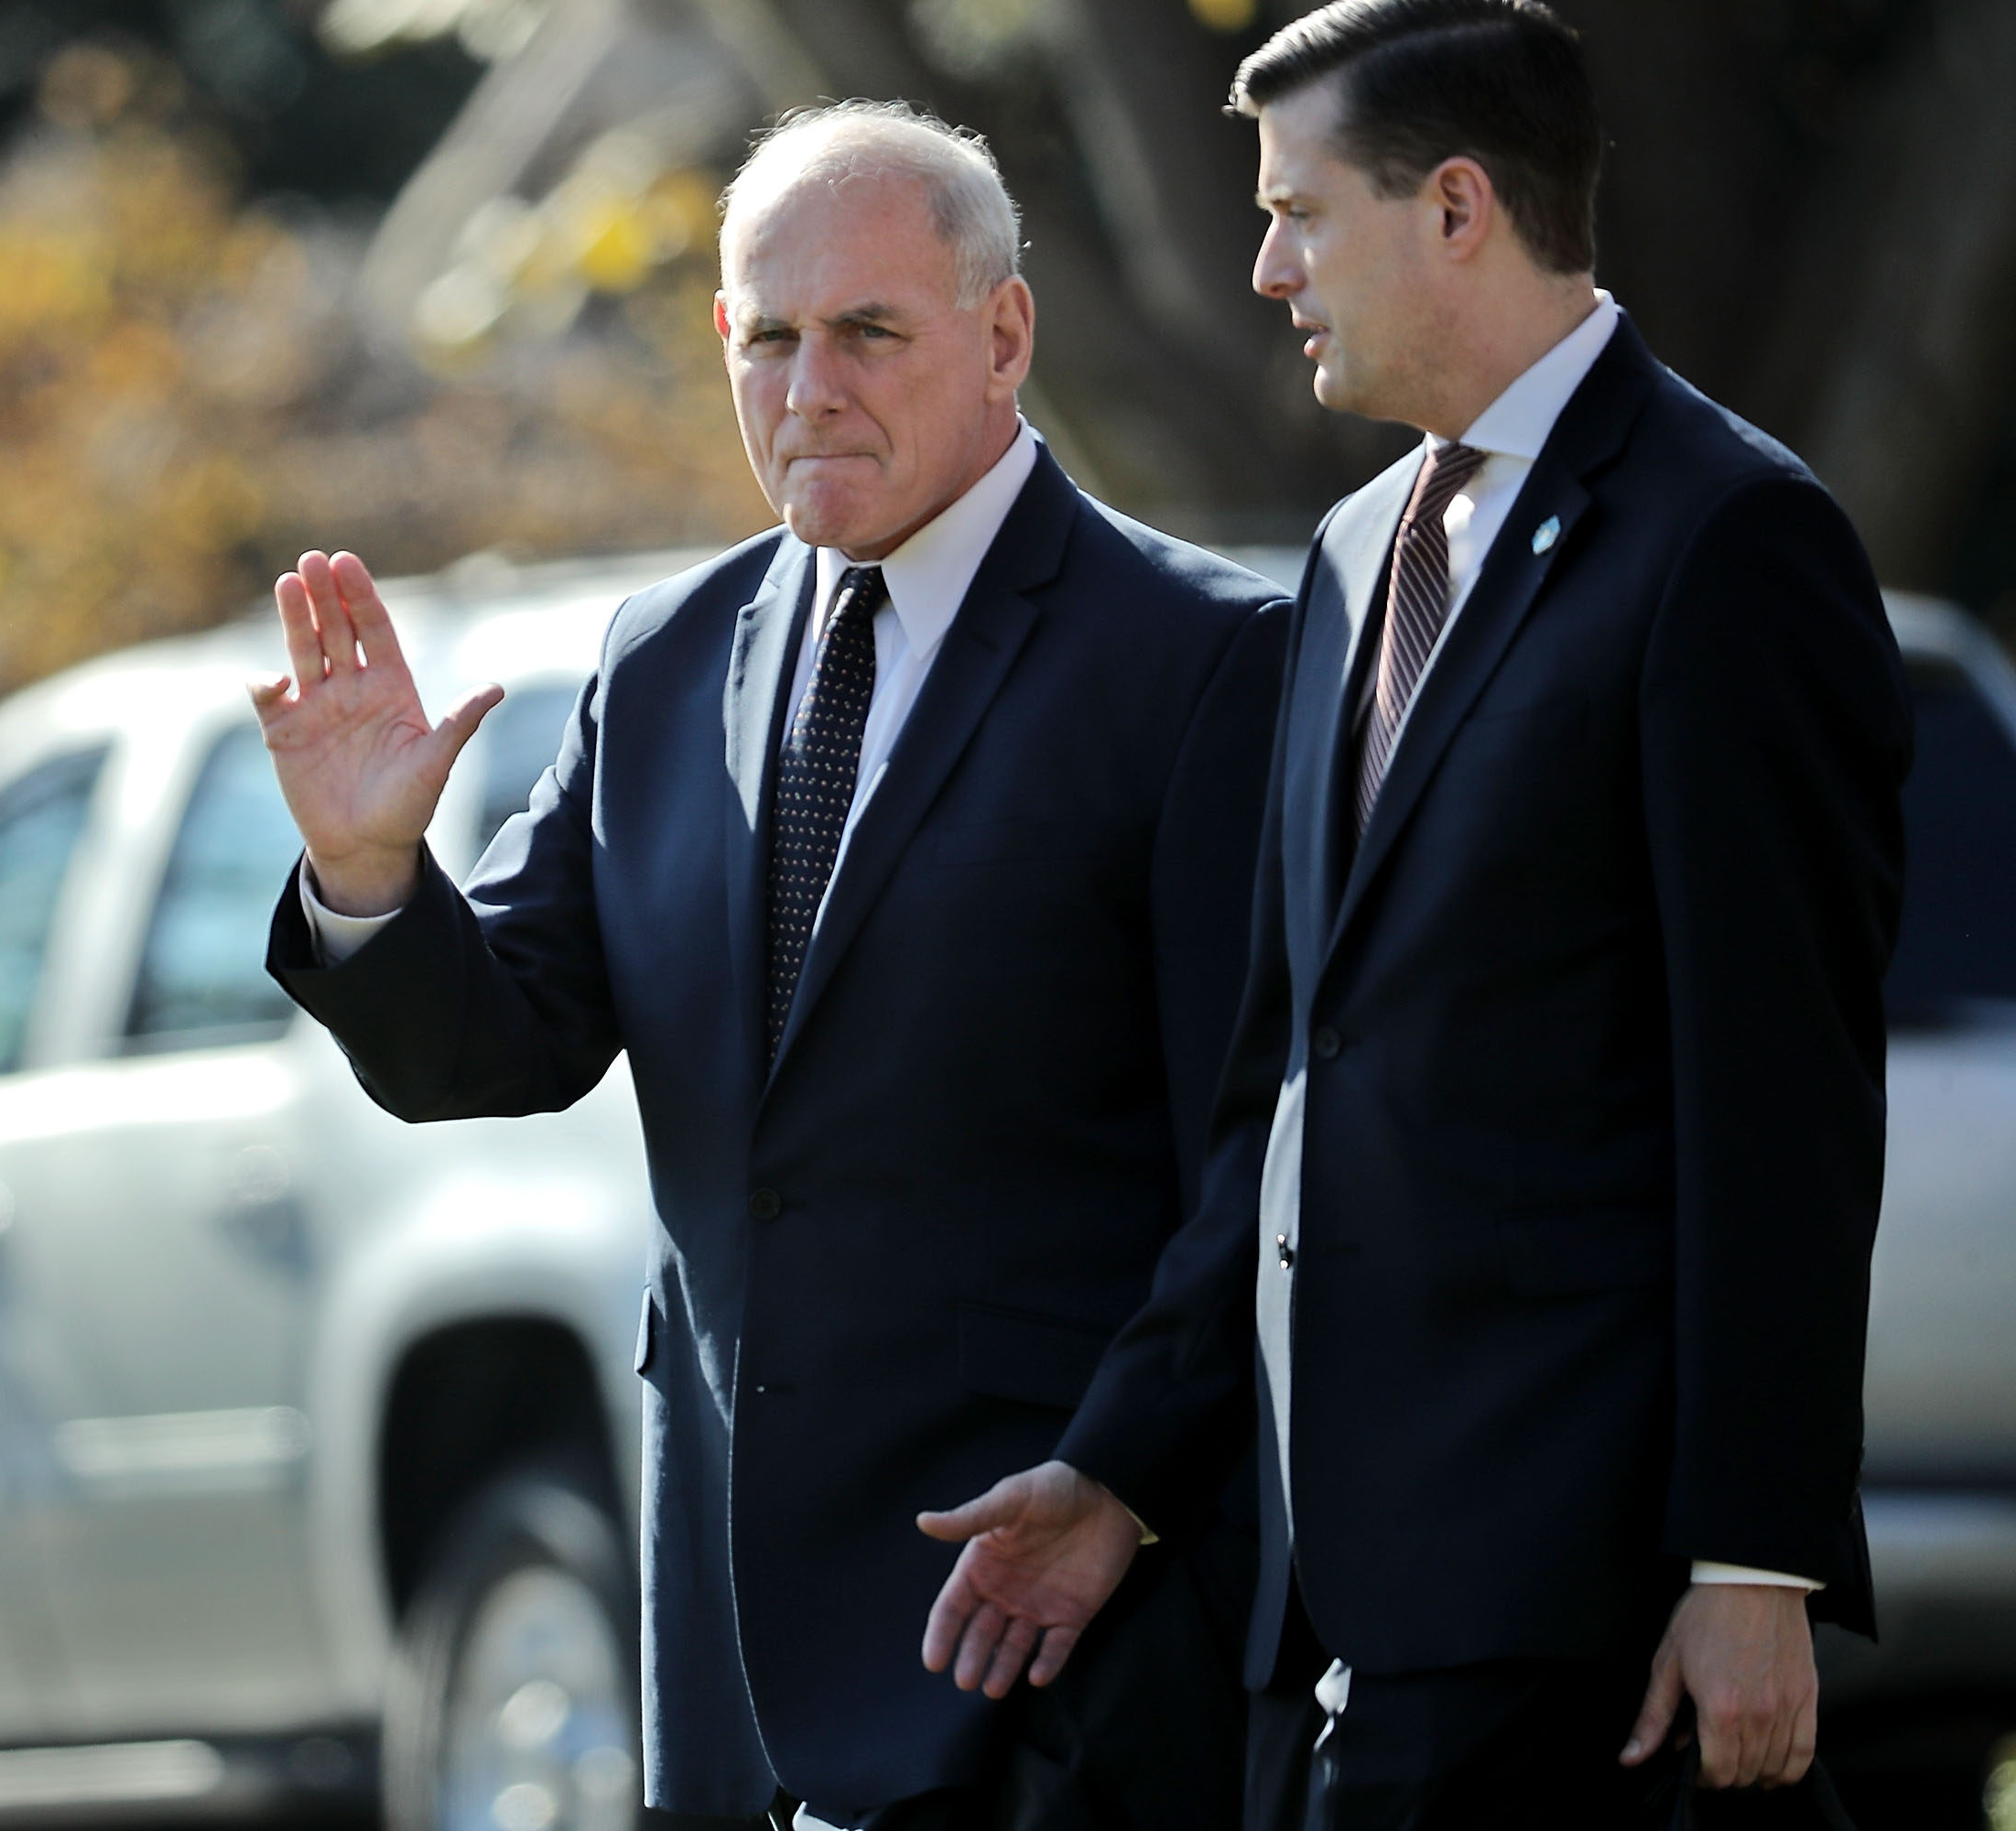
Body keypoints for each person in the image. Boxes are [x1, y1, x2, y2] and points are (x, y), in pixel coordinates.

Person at [916, 4, 1912, 1825]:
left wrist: (1752, 1561)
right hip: (1333, 1595)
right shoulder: (1356, 551)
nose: (1265, 263)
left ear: (1457, 206)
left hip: (1589, 1600)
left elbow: (1782, 1103)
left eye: (1302, 212)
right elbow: (1286, 1093)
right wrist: (1127, 1467)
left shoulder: (1729, 544)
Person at [253, 103, 1289, 1831]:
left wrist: (1125, 1478)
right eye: (770, 337)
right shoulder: (664, 661)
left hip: (1047, 1642)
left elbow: (1262, 1147)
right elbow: (491, 1042)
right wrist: (370, 875)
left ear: (1004, 333)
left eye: (870, 331)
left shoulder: (1198, 660)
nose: (811, 386)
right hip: (735, 1664)